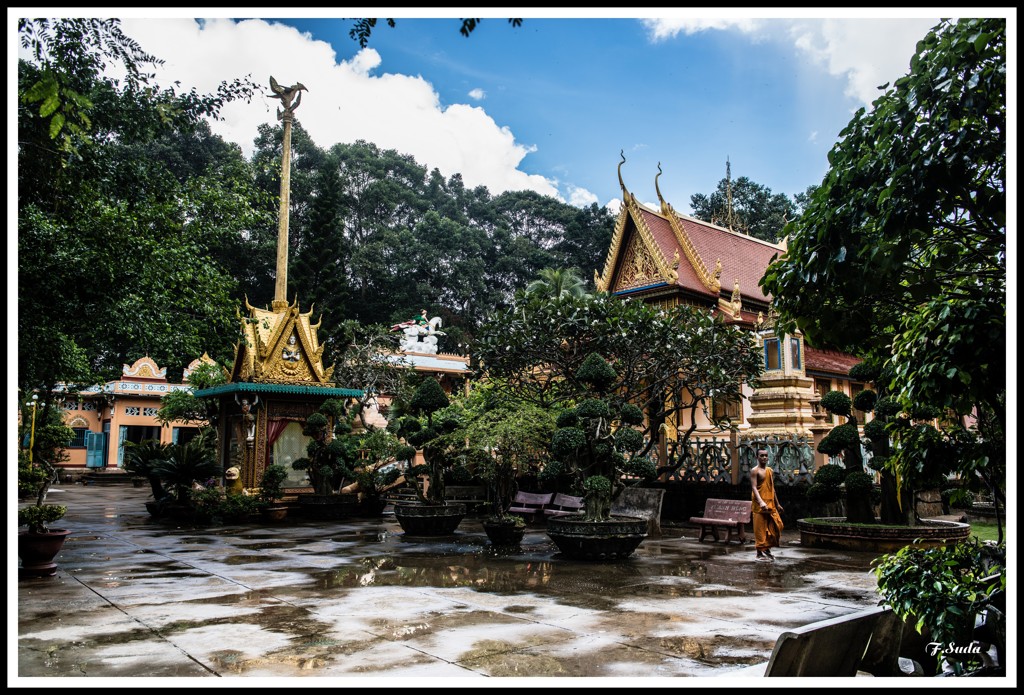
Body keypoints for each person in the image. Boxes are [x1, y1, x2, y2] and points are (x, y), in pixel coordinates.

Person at [751, 448, 784, 562]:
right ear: (757, 457)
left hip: (770, 503)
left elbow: (772, 488)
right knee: (760, 528)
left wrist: (777, 503)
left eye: (766, 455)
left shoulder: (770, 470)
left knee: (775, 526)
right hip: (759, 504)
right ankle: (760, 551)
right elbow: (754, 487)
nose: (764, 457)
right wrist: (760, 501)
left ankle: (766, 548)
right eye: (761, 456)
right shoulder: (755, 471)